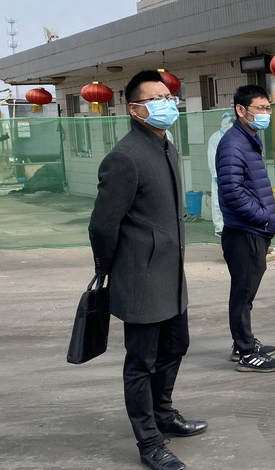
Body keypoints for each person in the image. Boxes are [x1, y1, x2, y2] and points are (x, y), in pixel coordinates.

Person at [89, 70, 207, 470]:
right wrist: (114, 269)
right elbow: (102, 225)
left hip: (171, 275)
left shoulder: (167, 147)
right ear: (134, 109)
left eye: (168, 97)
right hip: (140, 277)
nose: (166, 104)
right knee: (141, 363)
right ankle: (149, 442)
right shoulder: (125, 157)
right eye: (155, 99)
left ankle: (163, 413)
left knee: (176, 345)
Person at [216, 85, 275, 372]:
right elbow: (232, 191)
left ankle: (242, 341)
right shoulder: (233, 144)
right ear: (240, 110)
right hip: (245, 231)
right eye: (260, 108)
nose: (265, 114)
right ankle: (245, 352)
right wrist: (262, 218)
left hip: (253, 230)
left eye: (268, 108)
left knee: (246, 292)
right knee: (242, 294)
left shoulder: (248, 139)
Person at [207, 111, 235, 236]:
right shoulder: (215, 137)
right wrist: (215, 174)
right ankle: (219, 227)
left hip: (234, 174)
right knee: (218, 201)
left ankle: (232, 226)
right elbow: (211, 156)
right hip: (219, 175)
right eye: (228, 120)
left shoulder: (237, 136)